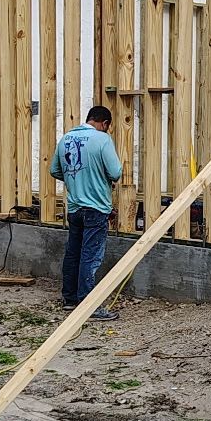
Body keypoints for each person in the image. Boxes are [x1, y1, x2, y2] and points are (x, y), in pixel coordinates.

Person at [50, 104, 123, 310]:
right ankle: (87, 305)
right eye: (107, 126)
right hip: (97, 208)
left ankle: (70, 299)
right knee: (90, 257)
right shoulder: (102, 139)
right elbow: (116, 172)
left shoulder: (66, 138)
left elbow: (55, 170)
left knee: (73, 253)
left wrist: (77, 180)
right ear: (105, 123)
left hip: (74, 208)